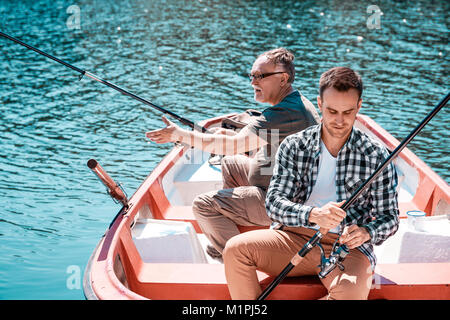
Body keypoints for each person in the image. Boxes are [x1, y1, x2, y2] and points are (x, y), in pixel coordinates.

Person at [223, 67, 399, 300]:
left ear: (359, 107)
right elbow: (274, 204)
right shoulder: (294, 145)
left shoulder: (376, 155)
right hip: (294, 237)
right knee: (235, 250)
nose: (339, 120)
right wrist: (313, 215)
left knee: (350, 294)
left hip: (348, 248)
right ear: (319, 104)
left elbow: (390, 217)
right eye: (331, 111)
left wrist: (367, 232)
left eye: (347, 112)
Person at [146, 48, 320, 259]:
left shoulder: (285, 112)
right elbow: (268, 140)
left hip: (282, 201)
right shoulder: (293, 104)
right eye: (252, 75)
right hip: (278, 183)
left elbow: (232, 145)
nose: (253, 82)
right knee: (231, 162)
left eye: (260, 76)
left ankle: (238, 256)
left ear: (283, 79)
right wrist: (230, 136)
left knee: (203, 205)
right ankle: (233, 234)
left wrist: (181, 135)